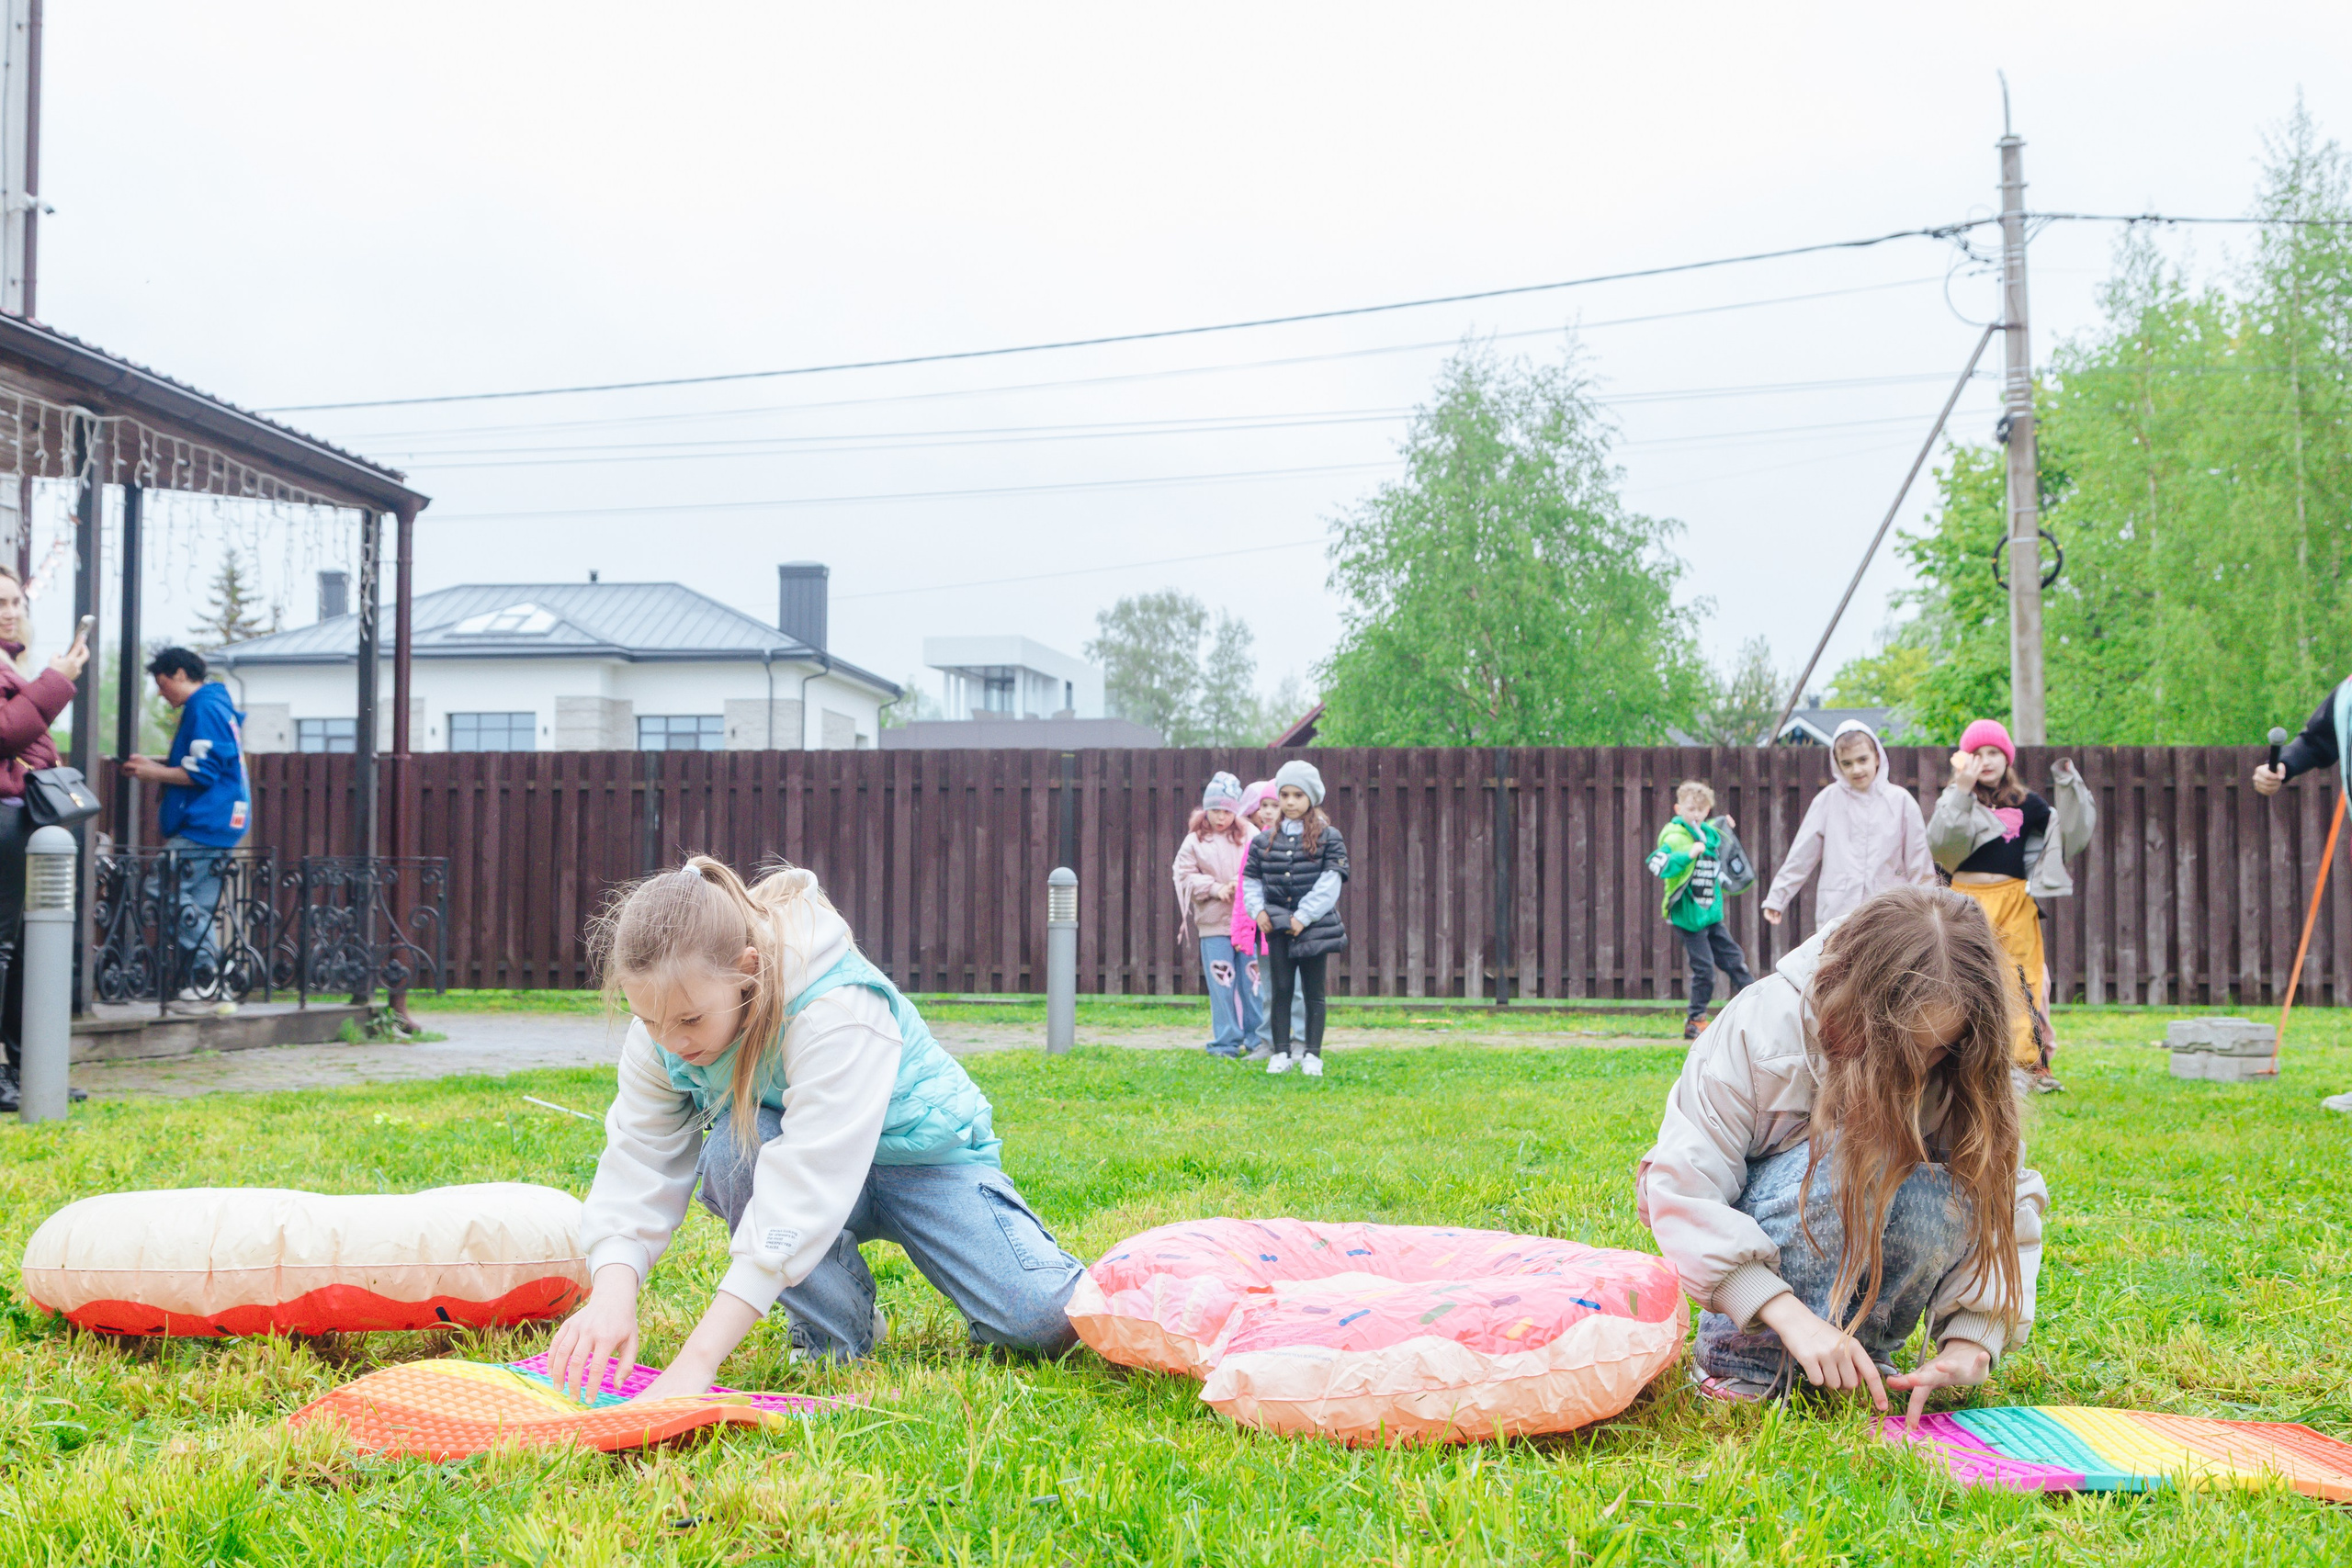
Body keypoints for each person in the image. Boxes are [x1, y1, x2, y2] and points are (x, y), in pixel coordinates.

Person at [549, 856, 1084, 1400]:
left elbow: (802, 1191)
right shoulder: (664, 1031)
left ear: (747, 969)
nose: (670, 1040)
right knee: (737, 1147)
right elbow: (638, 1165)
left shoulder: (836, 1008)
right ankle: (836, 1333)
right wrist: (611, 1297)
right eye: (648, 1020)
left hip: (922, 1164)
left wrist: (698, 1361)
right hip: (806, 1163)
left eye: (690, 1020)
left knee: (1045, 1324)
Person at [1636, 886, 2048, 1422]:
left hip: (1863, 1316)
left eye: (1940, 1048)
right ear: (1850, 1003)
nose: (1920, 1067)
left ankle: (1863, 1362)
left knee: (1940, 1187)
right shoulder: (1762, 1027)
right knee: (1854, 1160)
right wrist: (1780, 1310)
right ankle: (1750, 1364)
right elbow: (1684, 1185)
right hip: (1763, 1292)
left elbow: (2001, 1199)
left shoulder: (1960, 1068)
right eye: (1902, 1047)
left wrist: (1973, 1338)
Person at [1926, 720, 2094, 1090]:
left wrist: (2068, 784)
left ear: (2007, 757)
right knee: (1962, 979)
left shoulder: (2029, 804)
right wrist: (1961, 791)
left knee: (2021, 980)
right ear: (1964, 760)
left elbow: (2072, 833)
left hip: (2015, 901)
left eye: (1993, 753)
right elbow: (1940, 845)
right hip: (1965, 903)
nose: (1985, 761)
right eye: (1977, 754)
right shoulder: (1956, 799)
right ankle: (1962, 1065)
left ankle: (2023, 1066)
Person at [0, 569, 86, 1113]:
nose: (9, 611)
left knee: (29, 948)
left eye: (14, 601)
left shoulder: (10, 664)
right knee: (4, 947)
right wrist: (55, 680)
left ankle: (32, 1070)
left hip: (20, 816)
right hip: (4, 817)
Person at [120, 647, 251, 1006]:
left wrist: (152, 772)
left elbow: (203, 772)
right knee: (198, 906)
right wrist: (158, 764)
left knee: (162, 887)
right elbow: (206, 761)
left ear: (179, 674)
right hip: (225, 820)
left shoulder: (204, 707)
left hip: (206, 821)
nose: (161, 694)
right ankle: (207, 984)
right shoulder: (216, 704)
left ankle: (212, 973)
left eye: (163, 685)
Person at [1761, 720, 1934, 931]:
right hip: (1838, 910)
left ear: (1877, 757)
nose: (1857, 769)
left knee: (1886, 963)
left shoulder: (1901, 802)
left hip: (1890, 912)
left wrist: (1926, 914)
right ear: (1837, 765)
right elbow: (1801, 855)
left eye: (1863, 759)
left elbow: (1920, 863)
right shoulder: (1827, 801)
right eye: (1847, 763)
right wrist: (1777, 898)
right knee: (1838, 963)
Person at [1241, 759, 1348, 1078]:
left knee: (1314, 992)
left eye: (1297, 795)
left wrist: (1304, 916)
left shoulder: (1329, 837)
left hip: (1314, 928)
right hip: (1276, 928)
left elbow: (1331, 880)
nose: (1289, 802)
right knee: (1281, 991)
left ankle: (1312, 1055)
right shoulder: (1262, 842)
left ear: (1311, 798)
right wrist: (1258, 911)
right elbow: (1251, 880)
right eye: (1284, 794)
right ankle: (1281, 1053)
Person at [1647, 779, 1754, 1043]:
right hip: (1688, 916)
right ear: (1678, 808)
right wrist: (1687, 854)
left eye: (1701, 810)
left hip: (1711, 914)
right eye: (1691, 809)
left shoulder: (1706, 832)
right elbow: (1657, 863)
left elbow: (1714, 835)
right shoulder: (1674, 837)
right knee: (1704, 969)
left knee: (1734, 958)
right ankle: (1695, 1021)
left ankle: (1758, 1005)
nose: (1696, 815)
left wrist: (1722, 823)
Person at [1172, 771, 1260, 1059]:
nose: (1221, 818)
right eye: (1214, 811)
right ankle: (1225, 1042)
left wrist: (1240, 883)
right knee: (1223, 983)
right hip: (1213, 925)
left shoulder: (1249, 834)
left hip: (1248, 924)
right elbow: (1182, 876)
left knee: (1253, 981)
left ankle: (1257, 1039)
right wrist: (1214, 888)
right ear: (1204, 810)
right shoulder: (1194, 841)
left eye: (1227, 811)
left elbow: (1264, 864)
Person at [1229, 779, 1299, 1063]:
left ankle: (1300, 1042)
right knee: (1270, 991)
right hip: (1265, 932)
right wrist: (1241, 931)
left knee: (1298, 992)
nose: (1268, 812)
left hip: (1294, 930)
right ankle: (1269, 1043)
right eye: (1264, 806)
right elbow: (1246, 888)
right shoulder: (1257, 843)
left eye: (1274, 805)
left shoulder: (1298, 841)